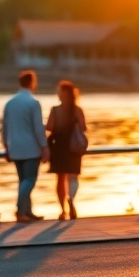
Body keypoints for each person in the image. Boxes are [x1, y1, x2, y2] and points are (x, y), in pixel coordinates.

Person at [1, 70, 48, 222]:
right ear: (32, 82)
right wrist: (45, 146)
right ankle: (20, 210)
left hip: (14, 147)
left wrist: (6, 146)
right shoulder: (33, 103)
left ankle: (27, 211)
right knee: (29, 180)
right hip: (30, 148)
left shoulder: (10, 103)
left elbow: (4, 127)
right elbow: (38, 128)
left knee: (22, 181)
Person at [47, 80, 88, 220]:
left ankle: (63, 210)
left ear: (62, 94)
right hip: (74, 147)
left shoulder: (55, 110)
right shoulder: (77, 110)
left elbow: (50, 127)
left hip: (59, 146)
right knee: (73, 176)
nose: (58, 94)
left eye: (59, 91)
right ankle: (71, 200)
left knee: (60, 179)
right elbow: (83, 128)